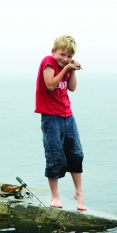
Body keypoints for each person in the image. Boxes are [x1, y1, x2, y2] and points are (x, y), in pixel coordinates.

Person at [35, 35, 86, 211]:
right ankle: (55, 195)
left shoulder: (66, 67)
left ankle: (79, 192)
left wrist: (72, 70)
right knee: (55, 156)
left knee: (76, 154)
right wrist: (65, 69)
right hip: (51, 117)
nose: (65, 59)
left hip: (67, 116)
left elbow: (72, 88)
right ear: (53, 51)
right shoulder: (48, 61)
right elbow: (50, 85)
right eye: (62, 55)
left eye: (69, 56)